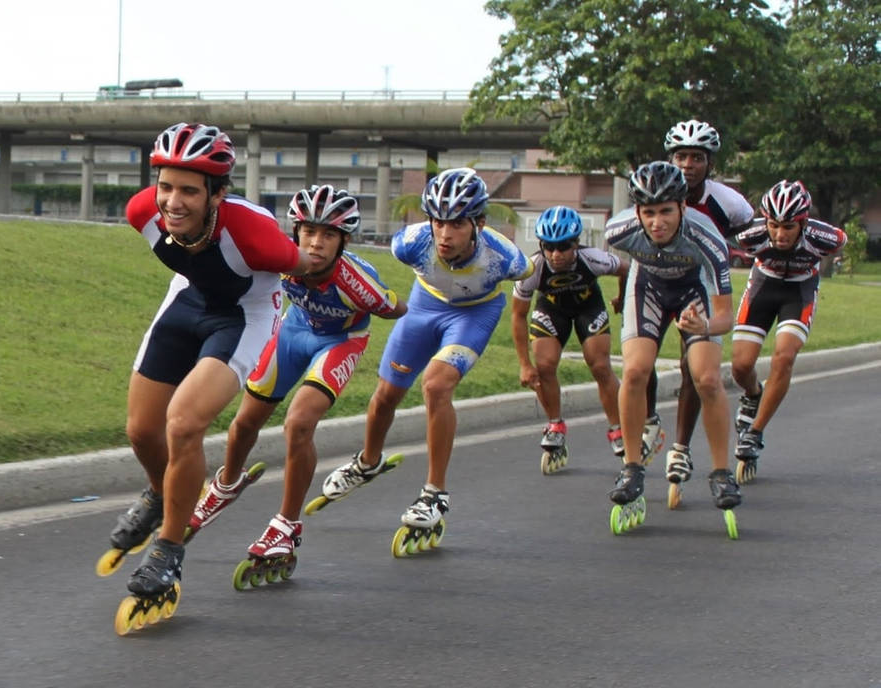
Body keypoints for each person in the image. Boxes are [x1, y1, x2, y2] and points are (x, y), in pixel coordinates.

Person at [107, 122, 309, 604]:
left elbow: (305, 265)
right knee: (141, 430)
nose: (173, 202)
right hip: (188, 301)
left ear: (216, 194)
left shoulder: (255, 235)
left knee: (183, 424)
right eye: (167, 186)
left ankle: (169, 550)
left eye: (190, 191)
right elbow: (179, 245)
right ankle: (161, 494)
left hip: (245, 314)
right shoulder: (143, 212)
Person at [184, 184, 407, 567]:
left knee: (299, 422)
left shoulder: (359, 283)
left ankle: (286, 525)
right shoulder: (278, 258)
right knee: (244, 424)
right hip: (293, 331)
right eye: (309, 231)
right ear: (296, 232)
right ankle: (226, 483)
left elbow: (395, 309)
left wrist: (395, 307)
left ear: (343, 241)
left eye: (329, 234)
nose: (316, 243)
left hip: (340, 341)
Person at [316, 167, 533, 546]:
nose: (445, 234)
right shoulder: (409, 244)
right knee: (386, 394)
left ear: (479, 223)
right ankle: (369, 461)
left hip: (473, 315)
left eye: (457, 224)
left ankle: (435, 493)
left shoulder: (506, 258)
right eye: (438, 222)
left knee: (436, 386)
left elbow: (534, 274)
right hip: (423, 308)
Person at [604, 161, 741, 517]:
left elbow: (727, 315)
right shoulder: (619, 231)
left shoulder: (707, 239)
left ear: (683, 207)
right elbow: (625, 271)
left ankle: (721, 472)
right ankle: (632, 468)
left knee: (707, 379)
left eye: (666, 211)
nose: (657, 222)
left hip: (695, 292)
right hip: (647, 286)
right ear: (637, 211)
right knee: (635, 371)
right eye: (648, 213)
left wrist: (705, 327)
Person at [658, 119, 754, 486]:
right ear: (671, 157)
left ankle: (680, 448)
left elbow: (751, 233)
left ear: (709, 162)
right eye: (681, 156)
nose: (688, 165)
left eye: (697, 157)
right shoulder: (655, 189)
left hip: (700, 287)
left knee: (693, 369)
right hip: (658, 279)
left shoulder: (728, 202)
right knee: (640, 362)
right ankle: (649, 422)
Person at [731, 180, 847, 482]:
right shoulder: (749, 236)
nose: (780, 234)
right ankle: (753, 393)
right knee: (741, 367)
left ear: (804, 223)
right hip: (763, 287)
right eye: (774, 225)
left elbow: (840, 243)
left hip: (799, 291)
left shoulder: (826, 237)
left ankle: (754, 433)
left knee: (784, 358)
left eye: (789, 227)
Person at [511, 205, 629, 474]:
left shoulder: (594, 258)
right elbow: (518, 315)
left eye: (563, 247)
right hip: (552, 309)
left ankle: (617, 428)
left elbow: (626, 269)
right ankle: (555, 425)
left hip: (589, 307)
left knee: (599, 366)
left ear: (577, 243)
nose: (555, 254)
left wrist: (622, 298)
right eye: (548, 246)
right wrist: (523, 364)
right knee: (544, 366)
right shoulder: (532, 269)